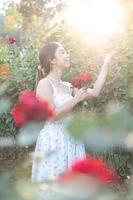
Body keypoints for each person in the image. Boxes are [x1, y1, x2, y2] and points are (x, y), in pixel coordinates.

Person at [31, 41, 114, 183]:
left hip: (71, 139)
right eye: (62, 52)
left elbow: (95, 92)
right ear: (53, 60)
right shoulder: (45, 84)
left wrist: (105, 64)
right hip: (54, 140)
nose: (67, 55)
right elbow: (52, 116)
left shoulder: (67, 86)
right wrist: (75, 100)